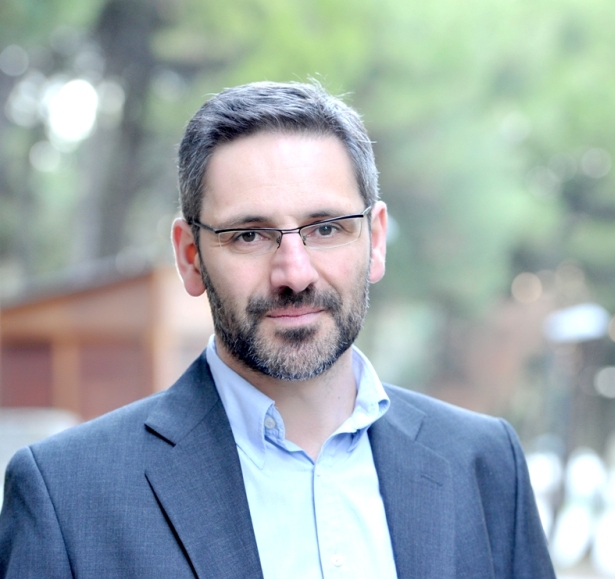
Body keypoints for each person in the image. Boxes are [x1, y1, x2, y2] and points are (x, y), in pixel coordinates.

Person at [0, 81, 555, 579]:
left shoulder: (486, 465)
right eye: (249, 235)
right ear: (191, 257)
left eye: (326, 228)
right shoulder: (66, 497)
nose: (294, 273)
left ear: (376, 240)